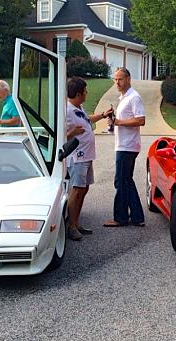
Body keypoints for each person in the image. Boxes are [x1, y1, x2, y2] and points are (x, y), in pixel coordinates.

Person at [65, 77, 113, 240]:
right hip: (77, 157)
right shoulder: (66, 111)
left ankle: (76, 223)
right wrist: (71, 134)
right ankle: (71, 227)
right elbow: (59, 135)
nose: (87, 93)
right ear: (78, 94)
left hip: (87, 155)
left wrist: (103, 115)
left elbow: (88, 119)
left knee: (84, 189)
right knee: (76, 190)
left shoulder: (78, 107)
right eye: (85, 91)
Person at [103, 67, 146, 227]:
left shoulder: (134, 97)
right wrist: (114, 122)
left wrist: (118, 122)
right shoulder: (124, 97)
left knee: (120, 181)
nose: (117, 82)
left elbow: (140, 120)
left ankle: (120, 218)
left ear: (128, 79)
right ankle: (137, 217)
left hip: (127, 146)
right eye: (115, 79)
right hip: (124, 144)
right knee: (126, 181)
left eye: (120, 79)